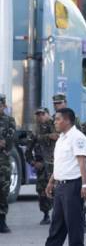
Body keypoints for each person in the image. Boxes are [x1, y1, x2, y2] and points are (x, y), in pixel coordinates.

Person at [45, 108, 86, 246]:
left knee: (74, 225)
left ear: (67, 121)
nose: (55, 122)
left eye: (58, 119)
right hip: (60, 186)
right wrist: (51, 182)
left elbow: (82, 163)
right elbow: (61, 164)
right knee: (57, 226)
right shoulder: (62, 138)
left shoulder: (77, 138)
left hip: (72, 186)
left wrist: (85, 185)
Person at [26, 107, 56, 225]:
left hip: (55, 165)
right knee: (42, 191)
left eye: (42, 114)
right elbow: (28, 150)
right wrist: (33, 163)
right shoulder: (35, 131)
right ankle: (46, 214)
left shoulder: (56, 126)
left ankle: (59, 214)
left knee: (58, 190)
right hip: (42, 166)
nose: (40, 116)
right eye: (38, 114)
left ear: (48, 115)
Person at [0, 94, 16, 233]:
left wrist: (4, 143)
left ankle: (2, 220)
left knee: (3, 191)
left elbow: (9, 140)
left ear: (3, 106)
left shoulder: (9, 120)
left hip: (3, 162)